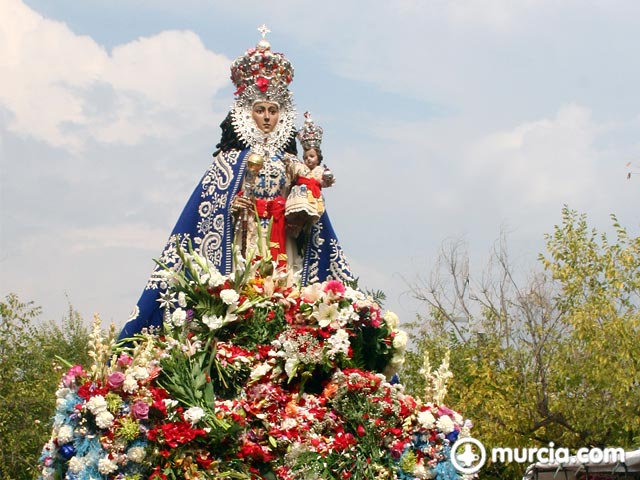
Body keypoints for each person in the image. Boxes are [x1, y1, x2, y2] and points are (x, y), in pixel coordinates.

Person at [119, 26, 353, 339]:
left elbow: (309, 181)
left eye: (273, 110)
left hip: (283, 236)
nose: (267, 117)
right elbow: (206, 212)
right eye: (260, 110)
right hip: (245, 236)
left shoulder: (287, 161)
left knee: (285, 285)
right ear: (247, 113)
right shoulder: (228, 163)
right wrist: (233, 205)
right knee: (248, 285)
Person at [285, 111, 335, 236]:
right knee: (297, 211)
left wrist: (327, 180)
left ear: (318, 158)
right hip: (299, 196)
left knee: (309, 217)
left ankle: (303, 227)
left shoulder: (319, 171)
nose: (309, 159)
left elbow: (323, 182)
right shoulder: (300, 167)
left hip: (313, 197)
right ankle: (295, 226)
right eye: (306, 157)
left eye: (312, 156)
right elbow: (292, 173)